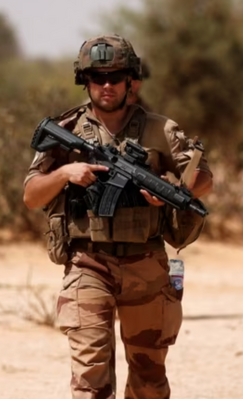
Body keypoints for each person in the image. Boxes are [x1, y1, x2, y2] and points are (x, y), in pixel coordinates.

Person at [23, 35, 213, 399]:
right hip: (87, 263)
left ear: (133, 82)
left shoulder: (161, 129)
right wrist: (65, 173)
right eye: (98, 77)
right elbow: (31, 195)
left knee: (149, 379)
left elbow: (205, 180)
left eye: (116, 77)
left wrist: (170, 190)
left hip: (146, 263)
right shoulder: (67, 130)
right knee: (90, 377)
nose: (106, 85)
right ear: (85, 81)